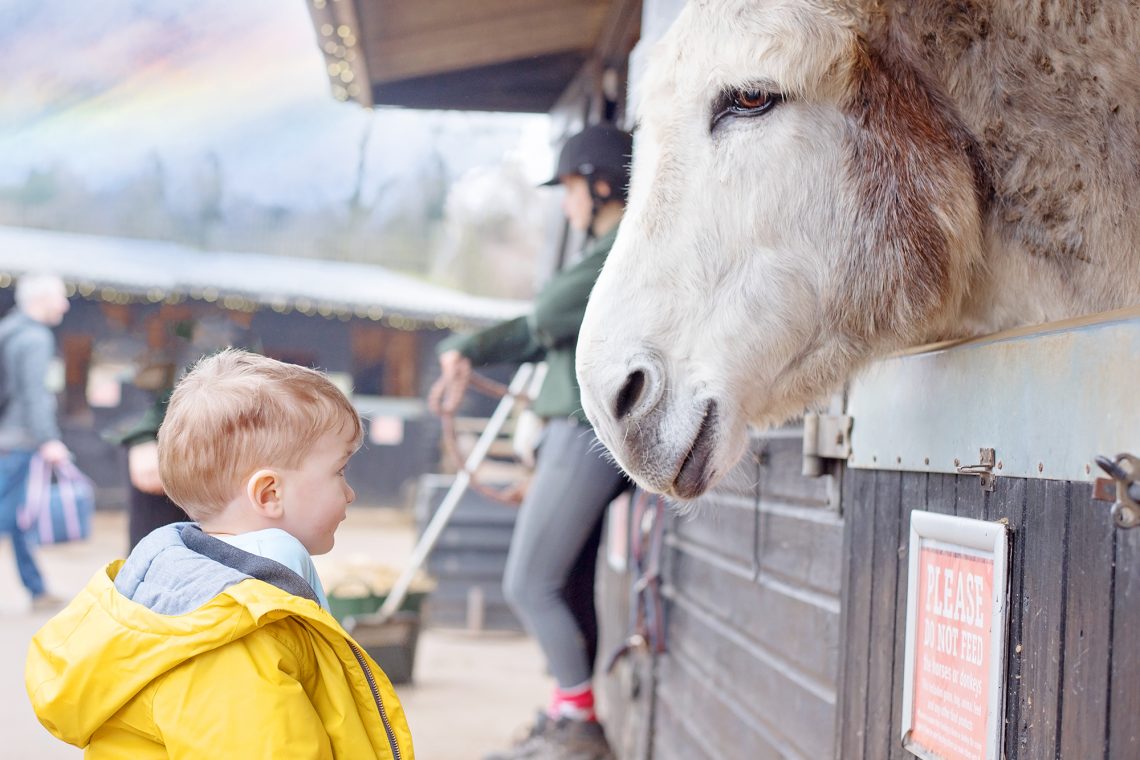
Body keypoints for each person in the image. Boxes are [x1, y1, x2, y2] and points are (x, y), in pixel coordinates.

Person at [26, 349, 414, 759]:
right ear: (269, 493)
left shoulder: (209, 601)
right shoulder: (236, 639)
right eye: (339, 471)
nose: (350, 493)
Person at [430, 123, 633, 760]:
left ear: (601, 184)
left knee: (529, 583)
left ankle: (578, 724)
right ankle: (566, 712)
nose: (567, 201)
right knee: (565, 583)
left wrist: (478, 346)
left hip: (581, 431)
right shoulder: (601, 252)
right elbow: (542, 330)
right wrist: (471, 350)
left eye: (572, 186)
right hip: (574, 432)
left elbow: (544, 319)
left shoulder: (619, 249)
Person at [0, 273, 71, 612]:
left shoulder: (8, 330)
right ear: (40, 300)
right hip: (21, 439)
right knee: (9, 515)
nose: (66, 304)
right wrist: (48, 439)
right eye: (60, 297)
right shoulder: (35, 338)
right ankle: (37, 588)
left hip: (7, 437)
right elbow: (34, 394)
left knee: (17, 517)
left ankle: (37, 589)